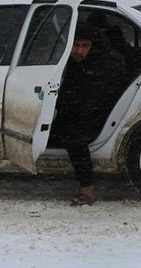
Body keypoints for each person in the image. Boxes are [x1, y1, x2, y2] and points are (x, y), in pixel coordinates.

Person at [53, 22, 126, 206]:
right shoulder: (70, 63)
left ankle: (87, 189)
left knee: (73, 137)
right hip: (75, 110)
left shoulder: (102, 66)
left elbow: (91, 102)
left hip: (96, 115)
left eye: (84, 46)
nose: (79, 51)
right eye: (75, 45)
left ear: (93, 46)